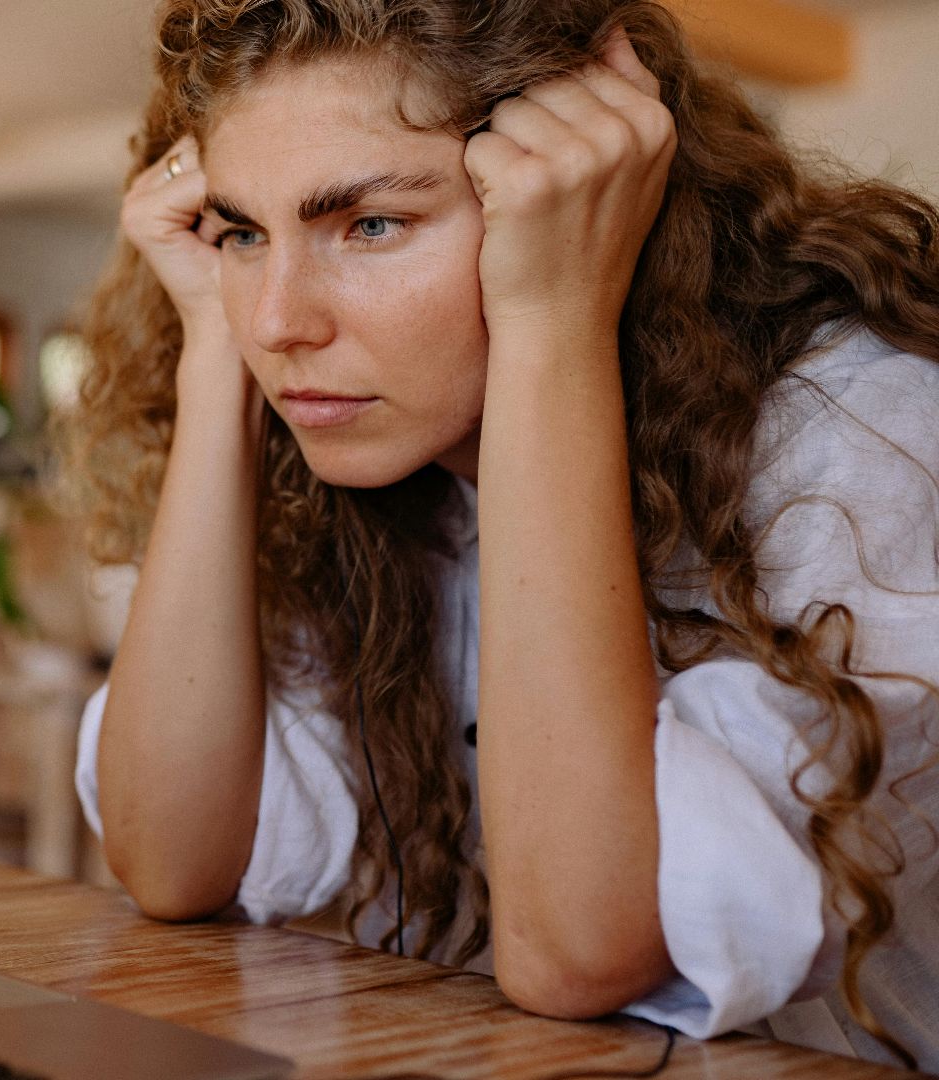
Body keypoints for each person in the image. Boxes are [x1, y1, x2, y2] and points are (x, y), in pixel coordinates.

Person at [64, 0, 939, 1070]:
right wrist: (209, 355)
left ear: (579, 194)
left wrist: (554, 314)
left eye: (370, 224)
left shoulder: (862, 435)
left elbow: (578, 954)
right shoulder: (356, 451)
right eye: (243, 231)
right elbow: (168, 859)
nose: (278, 321)